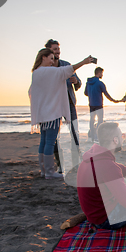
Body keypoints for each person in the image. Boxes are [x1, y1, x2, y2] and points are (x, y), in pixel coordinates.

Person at [29, 48, 93, 179]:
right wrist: (84, 62)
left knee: (44, 141)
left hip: (42, 113)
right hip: (52, 113)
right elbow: (67, 70)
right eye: (51, 58)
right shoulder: (48, 71)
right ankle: (50, 172)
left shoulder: (36, 73)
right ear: (43, 57)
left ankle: (43, 171)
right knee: (50, 142)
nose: (53, 61)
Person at [45, 39, 83, 169]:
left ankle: (77, 165)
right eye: (55, 49)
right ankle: (60, 165)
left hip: (69, 104)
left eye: (58, 49)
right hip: (53, 106)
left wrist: (75, 81)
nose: (58, 52)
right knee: (54, 136)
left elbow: (79, 83)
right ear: (48, 51)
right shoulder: (45, 68)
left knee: (74, 133)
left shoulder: (66, 65)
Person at [84, 67, 119, 142]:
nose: (102, 75)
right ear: (99, 73)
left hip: (91, 104)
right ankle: (97, 137)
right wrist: (114, 101)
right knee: (100, 121)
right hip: (98, 104)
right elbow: (106, 94)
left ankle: (92, 137)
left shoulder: (88, 83)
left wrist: (92, 93)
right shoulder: (100, 83)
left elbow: (85, 93)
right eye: (102, 73)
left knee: (92, 120)